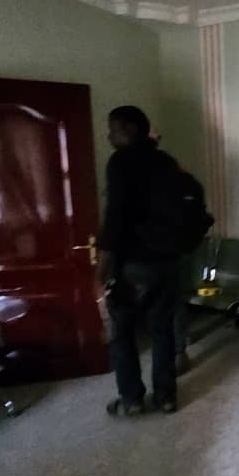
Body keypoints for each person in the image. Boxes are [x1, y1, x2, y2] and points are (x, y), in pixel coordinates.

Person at [97, 106, 181, 416]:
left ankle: (132, 400)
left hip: (132, 263)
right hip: (167, 261)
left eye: (113, 129)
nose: (108, 135)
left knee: (122, 333)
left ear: (130, 129)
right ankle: (166, 397)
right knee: (162, 330)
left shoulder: (120, 162)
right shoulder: (166, 161)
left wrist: (102, 266)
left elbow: (115, 216)